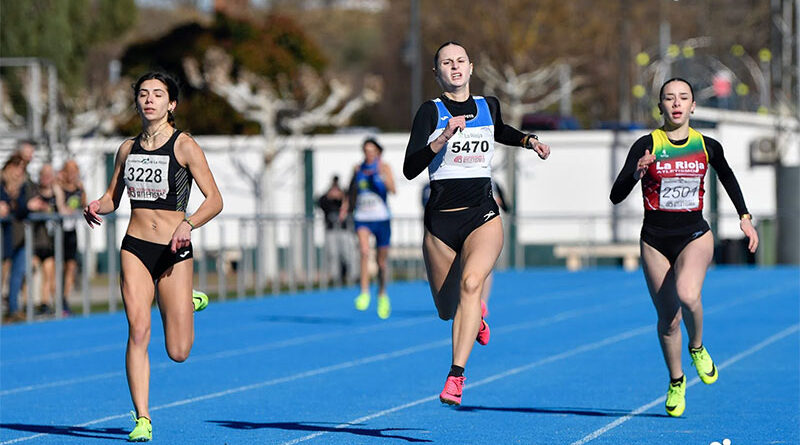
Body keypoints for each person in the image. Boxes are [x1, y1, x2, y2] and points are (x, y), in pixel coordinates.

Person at [403, 41, 550, 405]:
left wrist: (529, 140)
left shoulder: (488, 106)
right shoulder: (430, 112)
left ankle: (456, 377)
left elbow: (499, 130)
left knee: (472, 285)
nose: (454, 67)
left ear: (471, 68)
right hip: (441, 224)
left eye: (460, 61)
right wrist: (440, 141)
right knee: (445, 310)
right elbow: (409, 169)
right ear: (436, 73)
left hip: (482, 214)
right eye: (446, 63)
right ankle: (474, 320)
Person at [83, 71, 223, 442]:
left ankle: (182, 301)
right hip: (136, 247)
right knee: (138, 329)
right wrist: (98, 204)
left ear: (171, 104)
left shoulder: (184, 146)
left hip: (175, 250)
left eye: (158, 94)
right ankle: (142, 418)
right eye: (143, 94)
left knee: (178, 351)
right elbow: (114, 197)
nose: (149, 100)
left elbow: (215, 200)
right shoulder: (126, 149)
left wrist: (188, 224)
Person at [610, 78, 758, 417]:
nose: (676, 104)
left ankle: (698, 346)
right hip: (654, 240)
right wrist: (636, 173)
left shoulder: (707, 145)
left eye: (683, 98)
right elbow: (616, 196)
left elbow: (729, 177)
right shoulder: (646, 144)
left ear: (693, 106)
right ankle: (677, 381)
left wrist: (745, 217)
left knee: (688, 295)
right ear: (660, 106)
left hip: (694, 234)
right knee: (668, 318)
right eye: (669, 98)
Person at [341, 138, 396, 319]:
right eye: (366, 150)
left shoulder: (384, 168)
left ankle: (382, 294)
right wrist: (345, 208)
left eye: (372, 151)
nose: (369, 154)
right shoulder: (358, 169)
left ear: (378, 152)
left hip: (381, 218)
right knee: (364, 252)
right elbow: (351, 191)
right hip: (362, 217)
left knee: (381, 262)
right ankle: (364, 292)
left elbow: (393, 190)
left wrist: (382, 176)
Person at [27, 164, 66, 316]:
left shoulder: (56, 191)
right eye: (44, 175)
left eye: (50, 175)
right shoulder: (34, 191)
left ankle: (46, 303)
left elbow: (62, 209)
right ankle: (29, 305)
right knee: (33, 272)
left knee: (49, 273)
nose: (47, 178)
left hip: (50, 241)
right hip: (35, 239)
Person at [1, 153, 31, 322]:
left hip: (19, 236)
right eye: (16, 166)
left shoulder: (23, 187)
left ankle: (13, 309)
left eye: (22, 168)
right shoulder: (1, 183)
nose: (19, 171)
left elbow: (23, 209)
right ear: (8, 166)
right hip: (3, 236)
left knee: (17, 275)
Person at [59, 160, 87, 314]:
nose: (71, 174)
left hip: (71, 232)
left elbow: (84, 204)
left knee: (70, 266)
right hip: (57, 233)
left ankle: (65, 300)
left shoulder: (78, 188)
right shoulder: (59, 186)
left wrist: (82, 190)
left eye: (74, 171)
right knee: (58, 267)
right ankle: (54, 300)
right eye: (68, 170)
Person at [318, 175, 354, 285]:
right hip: (331, 230)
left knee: (347, 255)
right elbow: (320, 202)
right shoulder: (326, 198)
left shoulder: (345, 197)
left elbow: (352, 204)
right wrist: (330, 196)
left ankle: (350, 277)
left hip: (344, 230)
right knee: (333, 255)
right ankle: (335, 279)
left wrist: (343, 198)